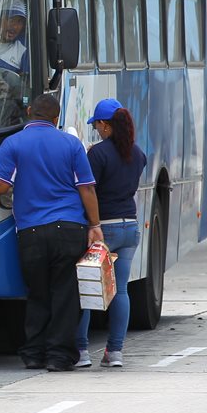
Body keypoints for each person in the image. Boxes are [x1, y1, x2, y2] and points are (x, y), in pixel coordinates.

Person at [0, 94, 102, 371]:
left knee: (37, 293)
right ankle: (59, 357)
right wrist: (95, 226)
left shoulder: (13, 143)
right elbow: (87, 188)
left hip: (31, 230)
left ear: (29, 111)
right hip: (70, 228)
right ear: (56, 118)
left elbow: (0, 185)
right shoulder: (71, 144)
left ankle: (33, 354)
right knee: (66, 295)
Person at [75, 98, 147, 369]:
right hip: (130, 227)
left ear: (105, 125)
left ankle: (81, 351)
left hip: (103, 229)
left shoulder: (98, 154)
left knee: (87, 289)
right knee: (121, 290)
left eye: (96, 125)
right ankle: (114, 352)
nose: (96, 130)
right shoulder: (138, 154)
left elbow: (88, 189)